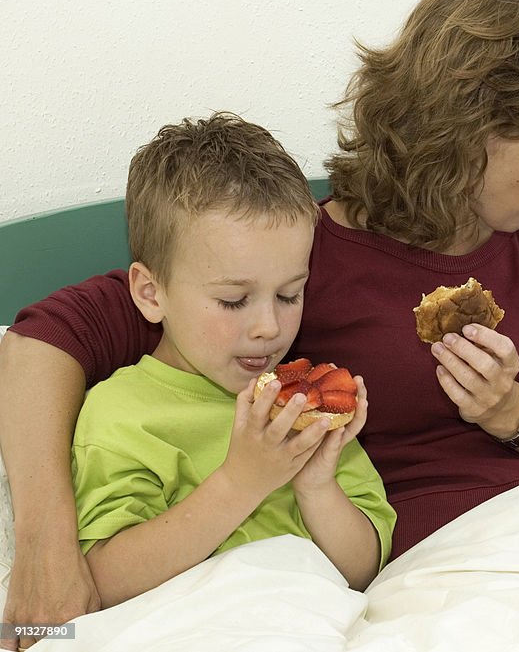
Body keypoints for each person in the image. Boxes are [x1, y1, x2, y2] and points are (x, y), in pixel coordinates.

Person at [0, 0, 519, 645]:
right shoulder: (289, 266)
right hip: (446, 582)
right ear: (472, 132)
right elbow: (41, 340)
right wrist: (46, 548)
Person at [72, 112, 395, 609]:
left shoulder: (303, 402)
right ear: (151, 293)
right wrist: (242, 481)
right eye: (232, 300)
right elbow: (105, 584)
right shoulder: (121, 413)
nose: (269, 326)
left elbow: (363, 570)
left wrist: (316, 486)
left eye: (289, 295)